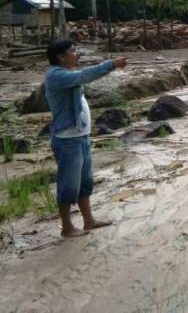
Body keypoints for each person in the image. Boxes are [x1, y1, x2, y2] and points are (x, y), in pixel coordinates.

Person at [44, 39, 128, 237]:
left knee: (84, 182)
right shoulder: (56, 76)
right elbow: (85, 75)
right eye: (73, 51)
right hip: (67, 139)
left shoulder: (67, 75)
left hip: (80, 137)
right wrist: (111, 64)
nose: (77, 54)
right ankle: (67, 227)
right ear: (60, 56)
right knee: (68, 184)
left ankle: (88, 221)